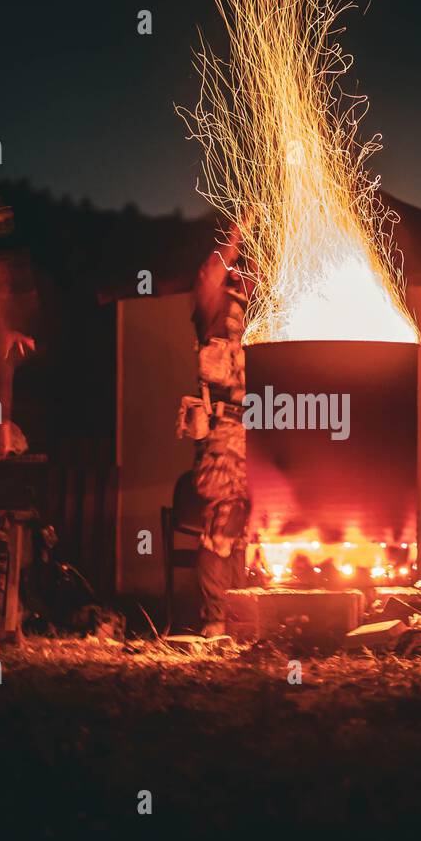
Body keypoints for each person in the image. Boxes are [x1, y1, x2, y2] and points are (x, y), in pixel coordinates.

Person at [180, 225, 253, 637]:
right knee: (222, 525)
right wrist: (236, 235)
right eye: (244, 263)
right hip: (224, 429)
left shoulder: (264, 308)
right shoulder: (214, 305)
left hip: (264, 427)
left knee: (249, 530)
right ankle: (215, 622)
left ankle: (245, 620)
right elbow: (209, 274)